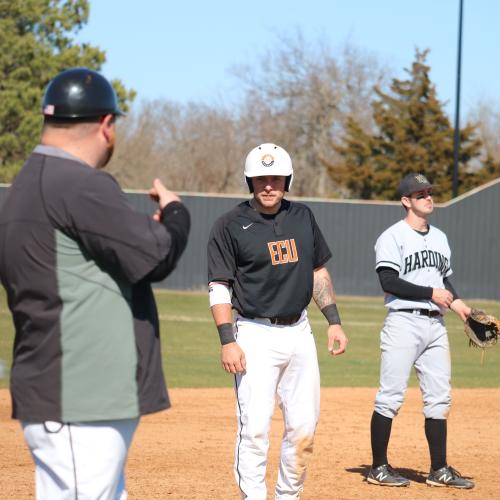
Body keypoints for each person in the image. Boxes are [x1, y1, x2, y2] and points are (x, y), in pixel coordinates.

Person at [0, 68, 190, 499]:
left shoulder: (25, 184)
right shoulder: (76, 184)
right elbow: (157, 254)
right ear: (106, 125)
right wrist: (177, 213)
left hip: (63, 392)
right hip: (80, 399)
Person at [207, 143, 348, 499]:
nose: (268, 185)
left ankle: (288, 495)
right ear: (249, 182)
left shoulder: (302, 217)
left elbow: (318, 271)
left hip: (299, 332)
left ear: (287, 180)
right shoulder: (229, 225)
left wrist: (333, 320)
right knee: (254, 429)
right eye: (260, 179)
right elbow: (219, 287)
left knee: (303, 428)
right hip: (254, 334)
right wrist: (227, 339)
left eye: (275, 178)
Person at [367, 173, 474, 489]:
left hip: (435, 326)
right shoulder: (392, 236)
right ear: (406, 201)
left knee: (440, 398)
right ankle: (378, 467)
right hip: (403, 323)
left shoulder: (440, 237)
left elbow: (444, 282)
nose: (428, 197)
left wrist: (460, 307)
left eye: (429, 192)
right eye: (420, 194)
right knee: (390, 396)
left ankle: (439, 469)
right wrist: (431, 293)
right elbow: (389, 281)